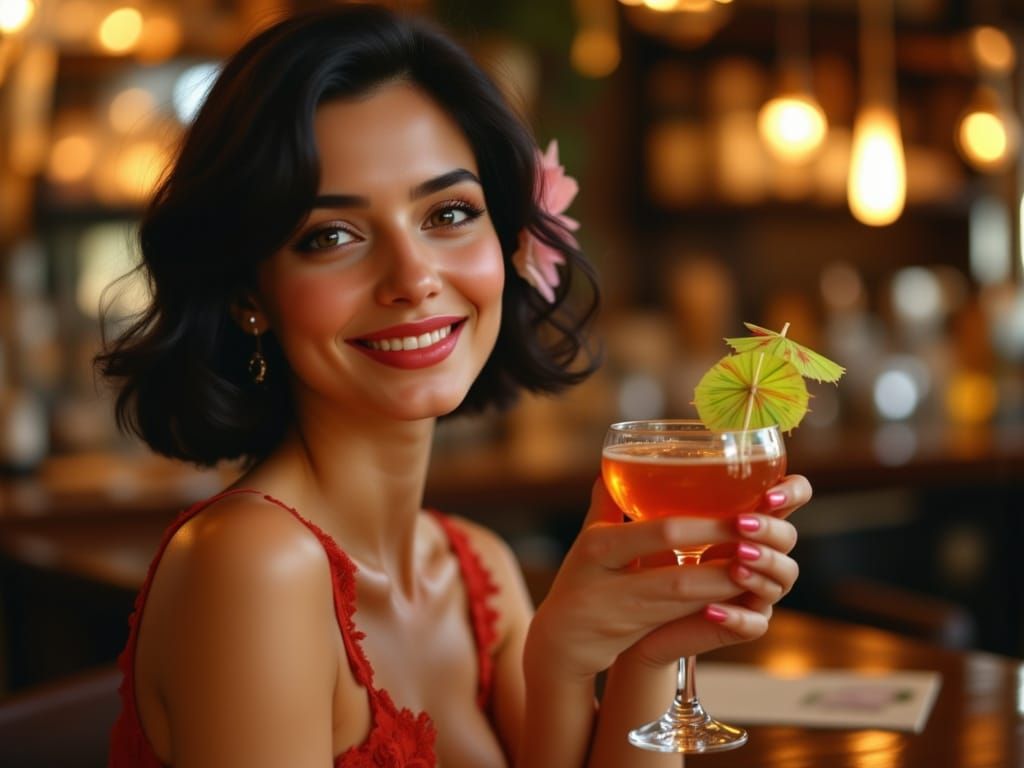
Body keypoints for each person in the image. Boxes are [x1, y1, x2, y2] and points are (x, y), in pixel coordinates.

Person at [99, 5, 807, 767]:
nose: (413, 278)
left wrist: (639, 650)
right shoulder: (250, 568)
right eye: (331, 236)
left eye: (449, 213)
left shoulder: (476, 570)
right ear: (249, 294)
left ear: (509, 242)